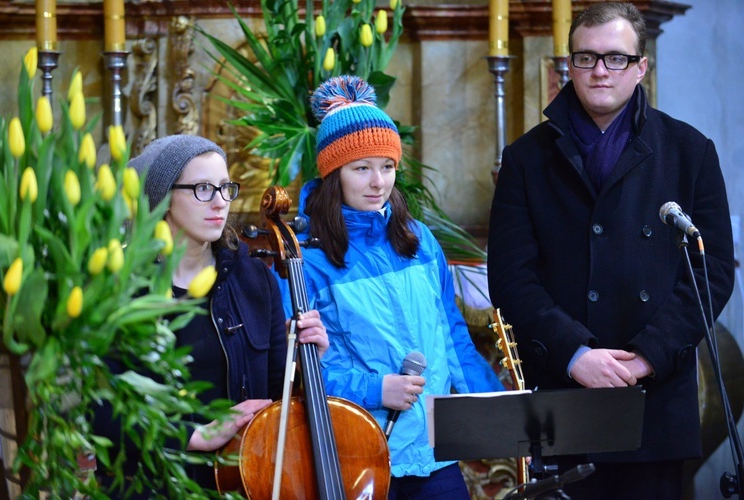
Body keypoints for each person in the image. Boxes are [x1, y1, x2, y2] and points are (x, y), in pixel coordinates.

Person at [487, 2, 735, 499]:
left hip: (654, 397)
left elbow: (712, 271)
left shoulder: (690, 152)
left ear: (642, 66)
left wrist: (646, 356)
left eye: (616, 58)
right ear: (569, 64)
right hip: (564, 393)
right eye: (586, 57)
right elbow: (511, 277)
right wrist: (575, 354)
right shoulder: (525, 159)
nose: (600, 70)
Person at [278, 75, 505, 499]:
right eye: (361, 168)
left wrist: (498, 410)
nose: (378, 182)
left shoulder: (420, 241)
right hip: (361, 455)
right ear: (334, 174)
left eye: (387, 166)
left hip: (437, 457)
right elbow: (296, 372)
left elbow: (453, 336)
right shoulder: (306, 258)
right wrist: (375, 389)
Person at [93, 135, 328, 496]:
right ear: (164, 198)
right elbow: (102, 408)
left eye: (225, 188)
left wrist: (309, 356)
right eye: (203, 188)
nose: (220, 202)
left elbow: (278, 399)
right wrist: (194, 434)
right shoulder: (120, 285)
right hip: (153, 485)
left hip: (245, 480)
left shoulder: (254, 277)